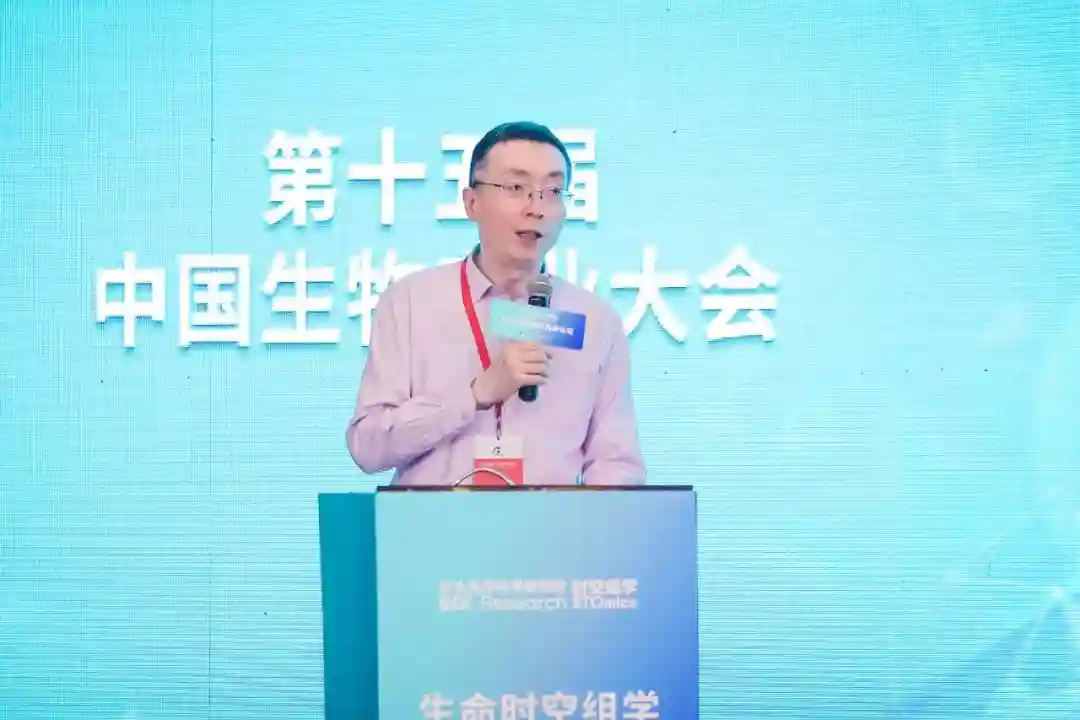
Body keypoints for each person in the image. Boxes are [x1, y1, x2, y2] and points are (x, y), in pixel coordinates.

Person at [346, 121, 645, 486]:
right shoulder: (410, 302)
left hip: (552, 523)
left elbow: (617, 464)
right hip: (435, 521)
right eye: (517, 188)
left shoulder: (594, 320)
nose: (536, 208)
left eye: (552, 191)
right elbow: (368, 446)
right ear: (472, 202)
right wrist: (475, 393)